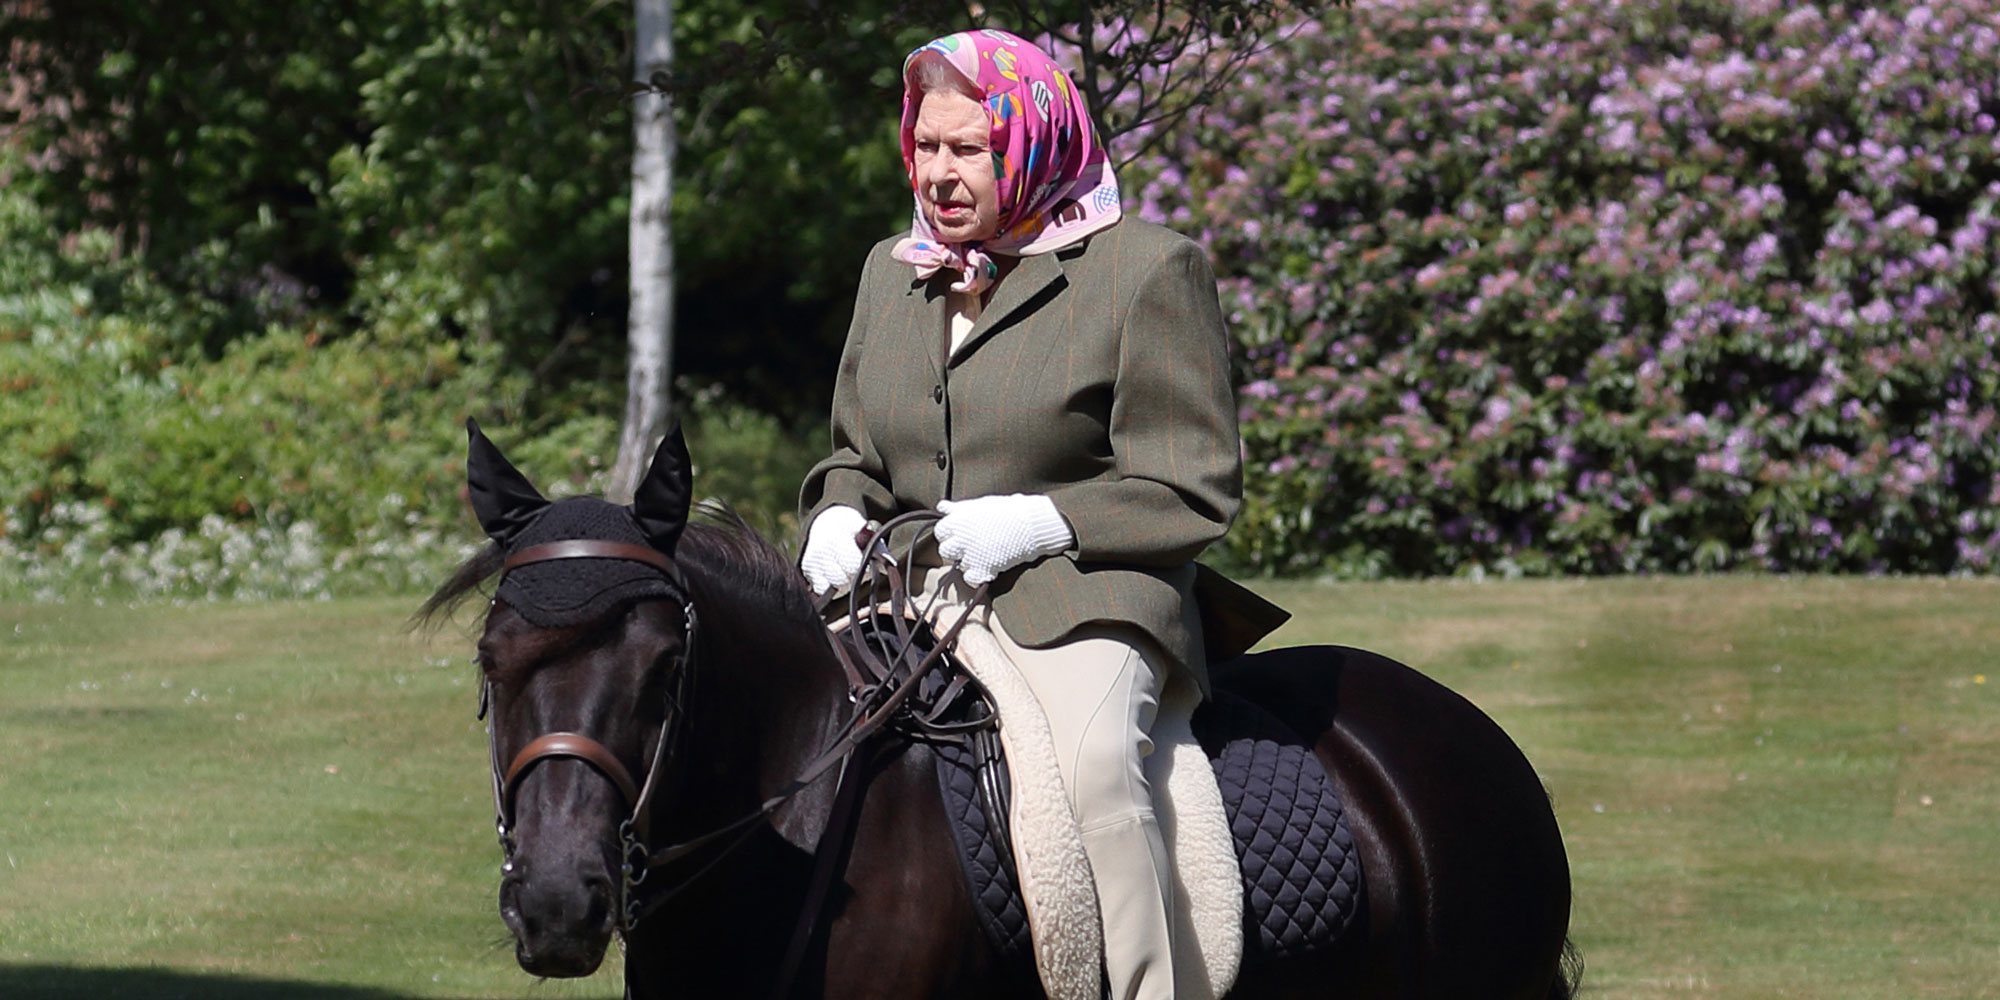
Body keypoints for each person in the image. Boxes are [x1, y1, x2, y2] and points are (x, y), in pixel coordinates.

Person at [798, 28, 1244, 1000]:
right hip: (908, 593)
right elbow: (852, 454)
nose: (940, 174)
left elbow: (1192, 485)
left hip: (1083, 592)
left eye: (970, 150)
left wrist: (1044, 521)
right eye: (927, 146)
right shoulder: (892, 267)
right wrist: (833, 513)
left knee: (1095, 772)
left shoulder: (1146, 272)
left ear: (1033, 143)